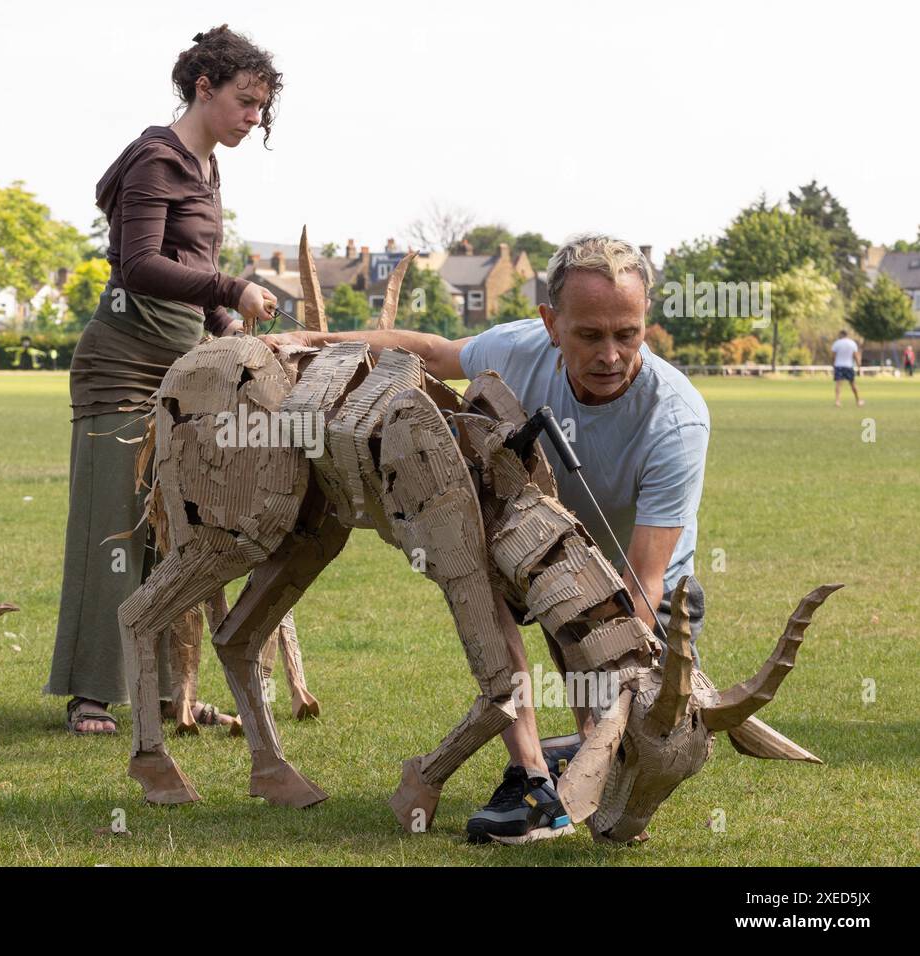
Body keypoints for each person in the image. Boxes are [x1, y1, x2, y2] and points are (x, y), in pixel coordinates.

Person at [263, 235, 710, 843]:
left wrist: (614, 703)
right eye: (589, 335)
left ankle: (586, 748)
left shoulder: (677, 418)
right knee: (478, 569)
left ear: (645, 325)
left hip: (638, 596)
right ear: (552, 325)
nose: (610, 354)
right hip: (537, 549)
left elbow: (641, 580)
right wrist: (314, 342)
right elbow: (431, 351)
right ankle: (528, 773)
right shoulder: (518, 348)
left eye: (626, 334)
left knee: (624, 752)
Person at [45, 26, 281, 734]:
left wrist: (224, 323)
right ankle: (92, 693)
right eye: (244, 101)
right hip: (122, 365)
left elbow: (186, 262)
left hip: (183, 367)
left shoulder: (206, 167)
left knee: (176, 534)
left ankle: (168, 692)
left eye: (262, 108)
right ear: (202, 87)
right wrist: (232, 286)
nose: (253, 118)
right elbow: (141, 264)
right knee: (112, 529)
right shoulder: (157, 159)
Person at [831, 329, 864, 407]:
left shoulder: (837, 343)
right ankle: (858, 401)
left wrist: (833, 365)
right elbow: (856, 356)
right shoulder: (852, 343)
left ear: (841, 335)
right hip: (849, 366)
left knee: (838, 384)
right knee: (853, 384)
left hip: (838, 366)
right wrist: (859, 366)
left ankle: (837, 401)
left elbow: (833, 356)